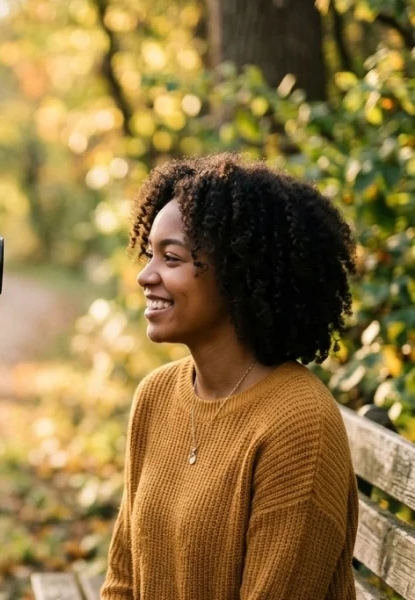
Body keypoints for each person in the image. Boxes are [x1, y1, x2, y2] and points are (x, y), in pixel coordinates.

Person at [101, 154, 359, 600]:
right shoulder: (157, 395)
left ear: (239, 272)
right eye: (149, 255)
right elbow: (123, 583)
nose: (145, 275)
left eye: (172, 258)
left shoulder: (299, 426)